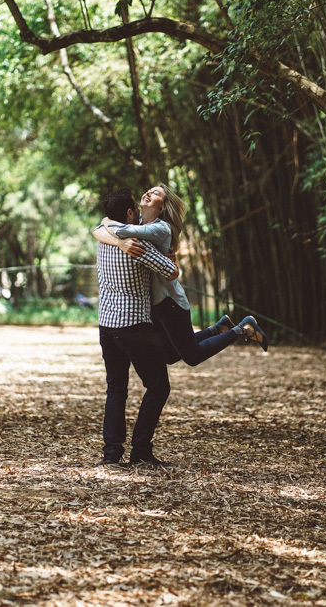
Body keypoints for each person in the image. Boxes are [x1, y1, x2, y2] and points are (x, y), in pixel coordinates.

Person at [93, 183, 268, 365]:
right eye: (149, 190)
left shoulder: (159, 228)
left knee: (192, 356)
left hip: (169, 302)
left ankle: (242, 329)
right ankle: (219, 328)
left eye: (155, 193)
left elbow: (114, 229)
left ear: (163, 207)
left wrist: (106, 224)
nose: (148, 193)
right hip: (153, 304)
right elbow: (104, 229)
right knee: (169, 355)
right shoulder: (137, 222)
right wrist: (115, 237)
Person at [95, 188, 182, 468]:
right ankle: (141, 451)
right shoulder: (136, 244)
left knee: (116, 389)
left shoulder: (105, 236)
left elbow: (100, 227)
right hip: (134, 327)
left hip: (107, 325)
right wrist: (171, 257)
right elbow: (171, 271)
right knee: (158, 387)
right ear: (130, 212)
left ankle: (111, 454)